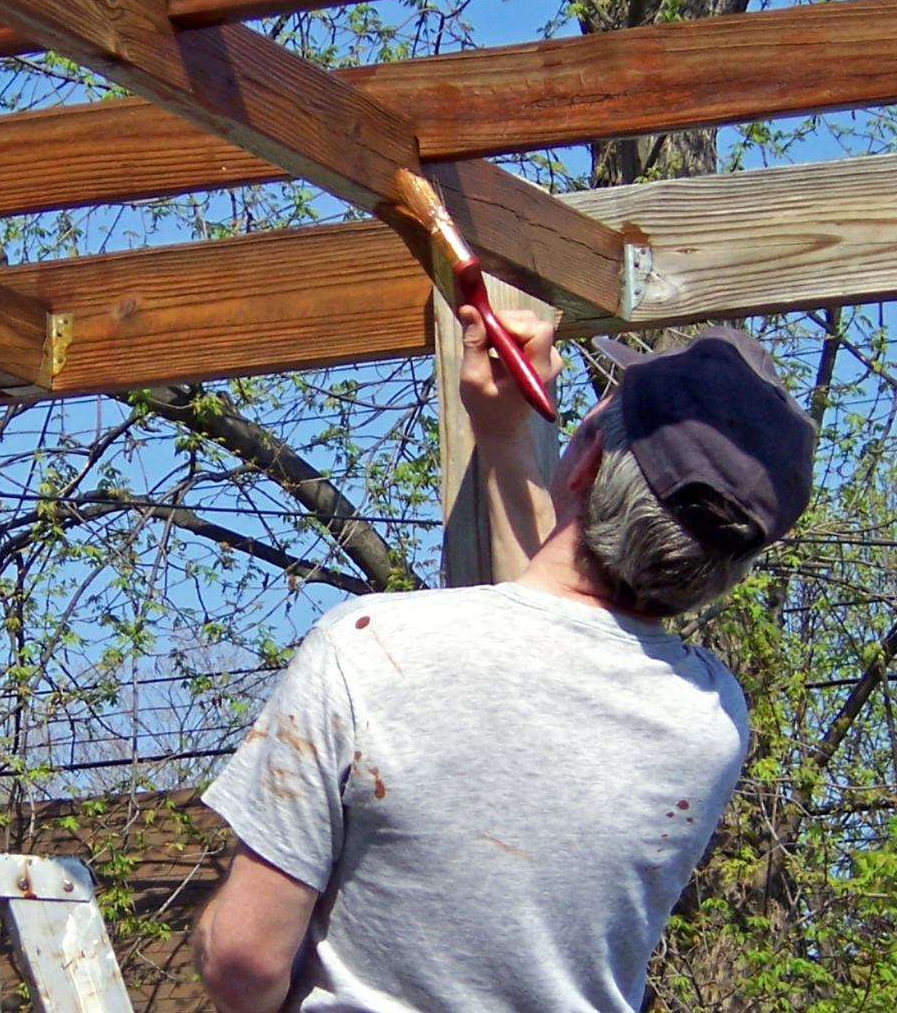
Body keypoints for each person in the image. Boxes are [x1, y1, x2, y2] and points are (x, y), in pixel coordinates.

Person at [192, 307, 816, 1013]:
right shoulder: (712, 717)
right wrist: (504, 434)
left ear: (585, 463)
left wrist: (212, 933)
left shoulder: (366, 648)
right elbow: (551, 644)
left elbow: (244, 963)